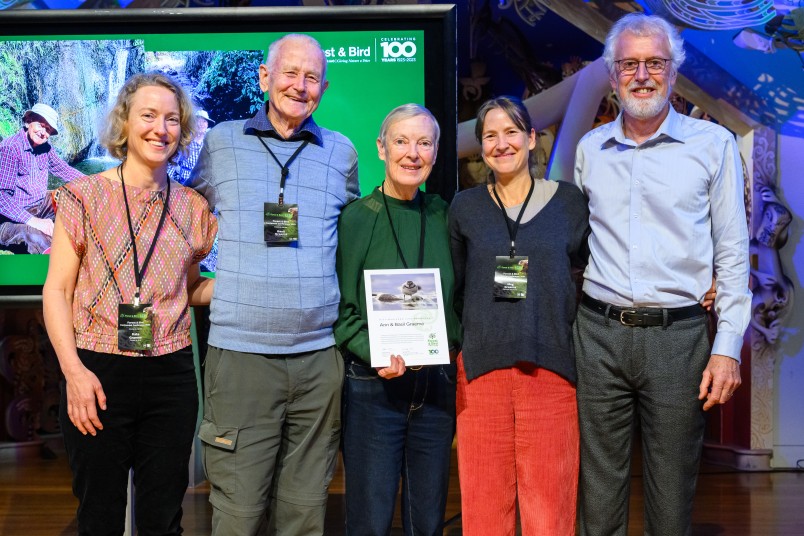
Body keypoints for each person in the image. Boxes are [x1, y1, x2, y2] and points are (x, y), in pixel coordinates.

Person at [572, 13, 751, 536]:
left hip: (680, 337)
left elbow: (733, 254)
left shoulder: (712, 145)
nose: (642, 75)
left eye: (655, 63)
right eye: (630, 64)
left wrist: (728, 347)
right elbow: (576, 245)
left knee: (671, 496)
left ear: (674, 73)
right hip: (598, 334)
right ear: (612, 75)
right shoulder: (590, 150)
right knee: (597, 490)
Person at [189, 33, 359, 535]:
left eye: (311, 78)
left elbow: (349, 242)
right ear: (265, 78)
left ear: (323, 88)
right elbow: (182, 218)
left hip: (319, 362)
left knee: (305, 514)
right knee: (238, 516)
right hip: (241, 357)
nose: (299, 86)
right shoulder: (221, 142)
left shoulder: (342, 154)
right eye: (289, 73)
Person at [41, 72, 217, 535]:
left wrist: (252, 283)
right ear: (124, 123)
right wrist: (73, 373)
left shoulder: (193, 208)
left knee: (164, 518)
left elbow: (192, 288)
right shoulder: (82, 197)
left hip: (171, 376)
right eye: (149, 115)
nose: (161, 128)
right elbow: (56, 291)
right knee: (98, 515)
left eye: (173, 119)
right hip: (96, 372)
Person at [449, 96, 589, 535]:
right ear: (481, 147)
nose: (501, 143)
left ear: (531, 138)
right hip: (481, 374)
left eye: (511, 132)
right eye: (490, 135)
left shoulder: (568, 202)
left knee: (551, 512)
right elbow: (454, 288)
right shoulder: (464, 207)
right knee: (484, 511)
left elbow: (593, 272)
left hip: (550, 372)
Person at [334, 104, 461, 535]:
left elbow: (458, 302)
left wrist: (448, 349)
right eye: (401, 141)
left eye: (424, 143)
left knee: (426, 521)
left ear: (436, 152)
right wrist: (377, 353)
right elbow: (342, 312)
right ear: (381, 149)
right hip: (375, 387)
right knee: (369, 520)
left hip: (435, 386)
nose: (413, 153)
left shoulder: (445, 216)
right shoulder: (355, 219)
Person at [0, 103, 83, 253]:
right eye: (41, 125)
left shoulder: (45, 148)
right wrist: (34, 221)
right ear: (29, 121)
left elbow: (63, 169)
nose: (43, 132)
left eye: (48, 129)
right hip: (10, 219)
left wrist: (93, 182)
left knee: (73, 200)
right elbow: (2, 198)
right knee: (39, 238)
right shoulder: (10, 148)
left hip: (40, 205)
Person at [169, 109, 215, 185]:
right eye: (198, 121)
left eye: (204, 121)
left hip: (202, 183)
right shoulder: (185, 141)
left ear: (207, 125)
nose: (201, 124)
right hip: (184, 182)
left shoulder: (209, 142)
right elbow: (173, 162)